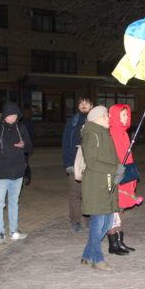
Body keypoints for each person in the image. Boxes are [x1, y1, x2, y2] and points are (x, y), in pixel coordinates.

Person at [80, 106, 123, 271]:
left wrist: (119, 168)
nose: (108, 118)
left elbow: (112, 157)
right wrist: (114, 169)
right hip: (96, 184)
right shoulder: (92, 134)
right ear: (96, 118)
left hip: (107, 182)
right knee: (99, 222)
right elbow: (92, 162)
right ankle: (97, 259)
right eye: (106, 115)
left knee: (107, 221)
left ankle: (87, 254)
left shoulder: (105, 133)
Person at [0, 102, 33, 243]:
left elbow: (29, 148)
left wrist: (24, 145)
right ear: (4, 115)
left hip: (18, 172)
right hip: (2, 173)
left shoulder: (21, 128)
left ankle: (14, 230)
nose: (12, 118)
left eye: (15, 115)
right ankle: (0, 232)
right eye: (9, 115)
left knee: (14, 202)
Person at [107, 104, 143, 255]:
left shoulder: (123, 133)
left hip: (124, 174)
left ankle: (120, 241)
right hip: (117, 175)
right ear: (115, 115)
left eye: (127, 115)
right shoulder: (112, 133)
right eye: (123, 115)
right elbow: (114, 158)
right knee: (113, 210)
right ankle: (113, 244)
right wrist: (118, 175)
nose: (126, 117)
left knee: (120, 209)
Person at [62, 97, 93, 233]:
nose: (83, 105)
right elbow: (65, 143)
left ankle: (89, 219)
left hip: (92, 163)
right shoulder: (72, 122)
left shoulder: (96, 121)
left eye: (86, 103)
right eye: (81, 103)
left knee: (90, 192)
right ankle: (75, 221)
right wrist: (68, 163)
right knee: (75, 193)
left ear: (91, 105)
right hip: (75, 162)